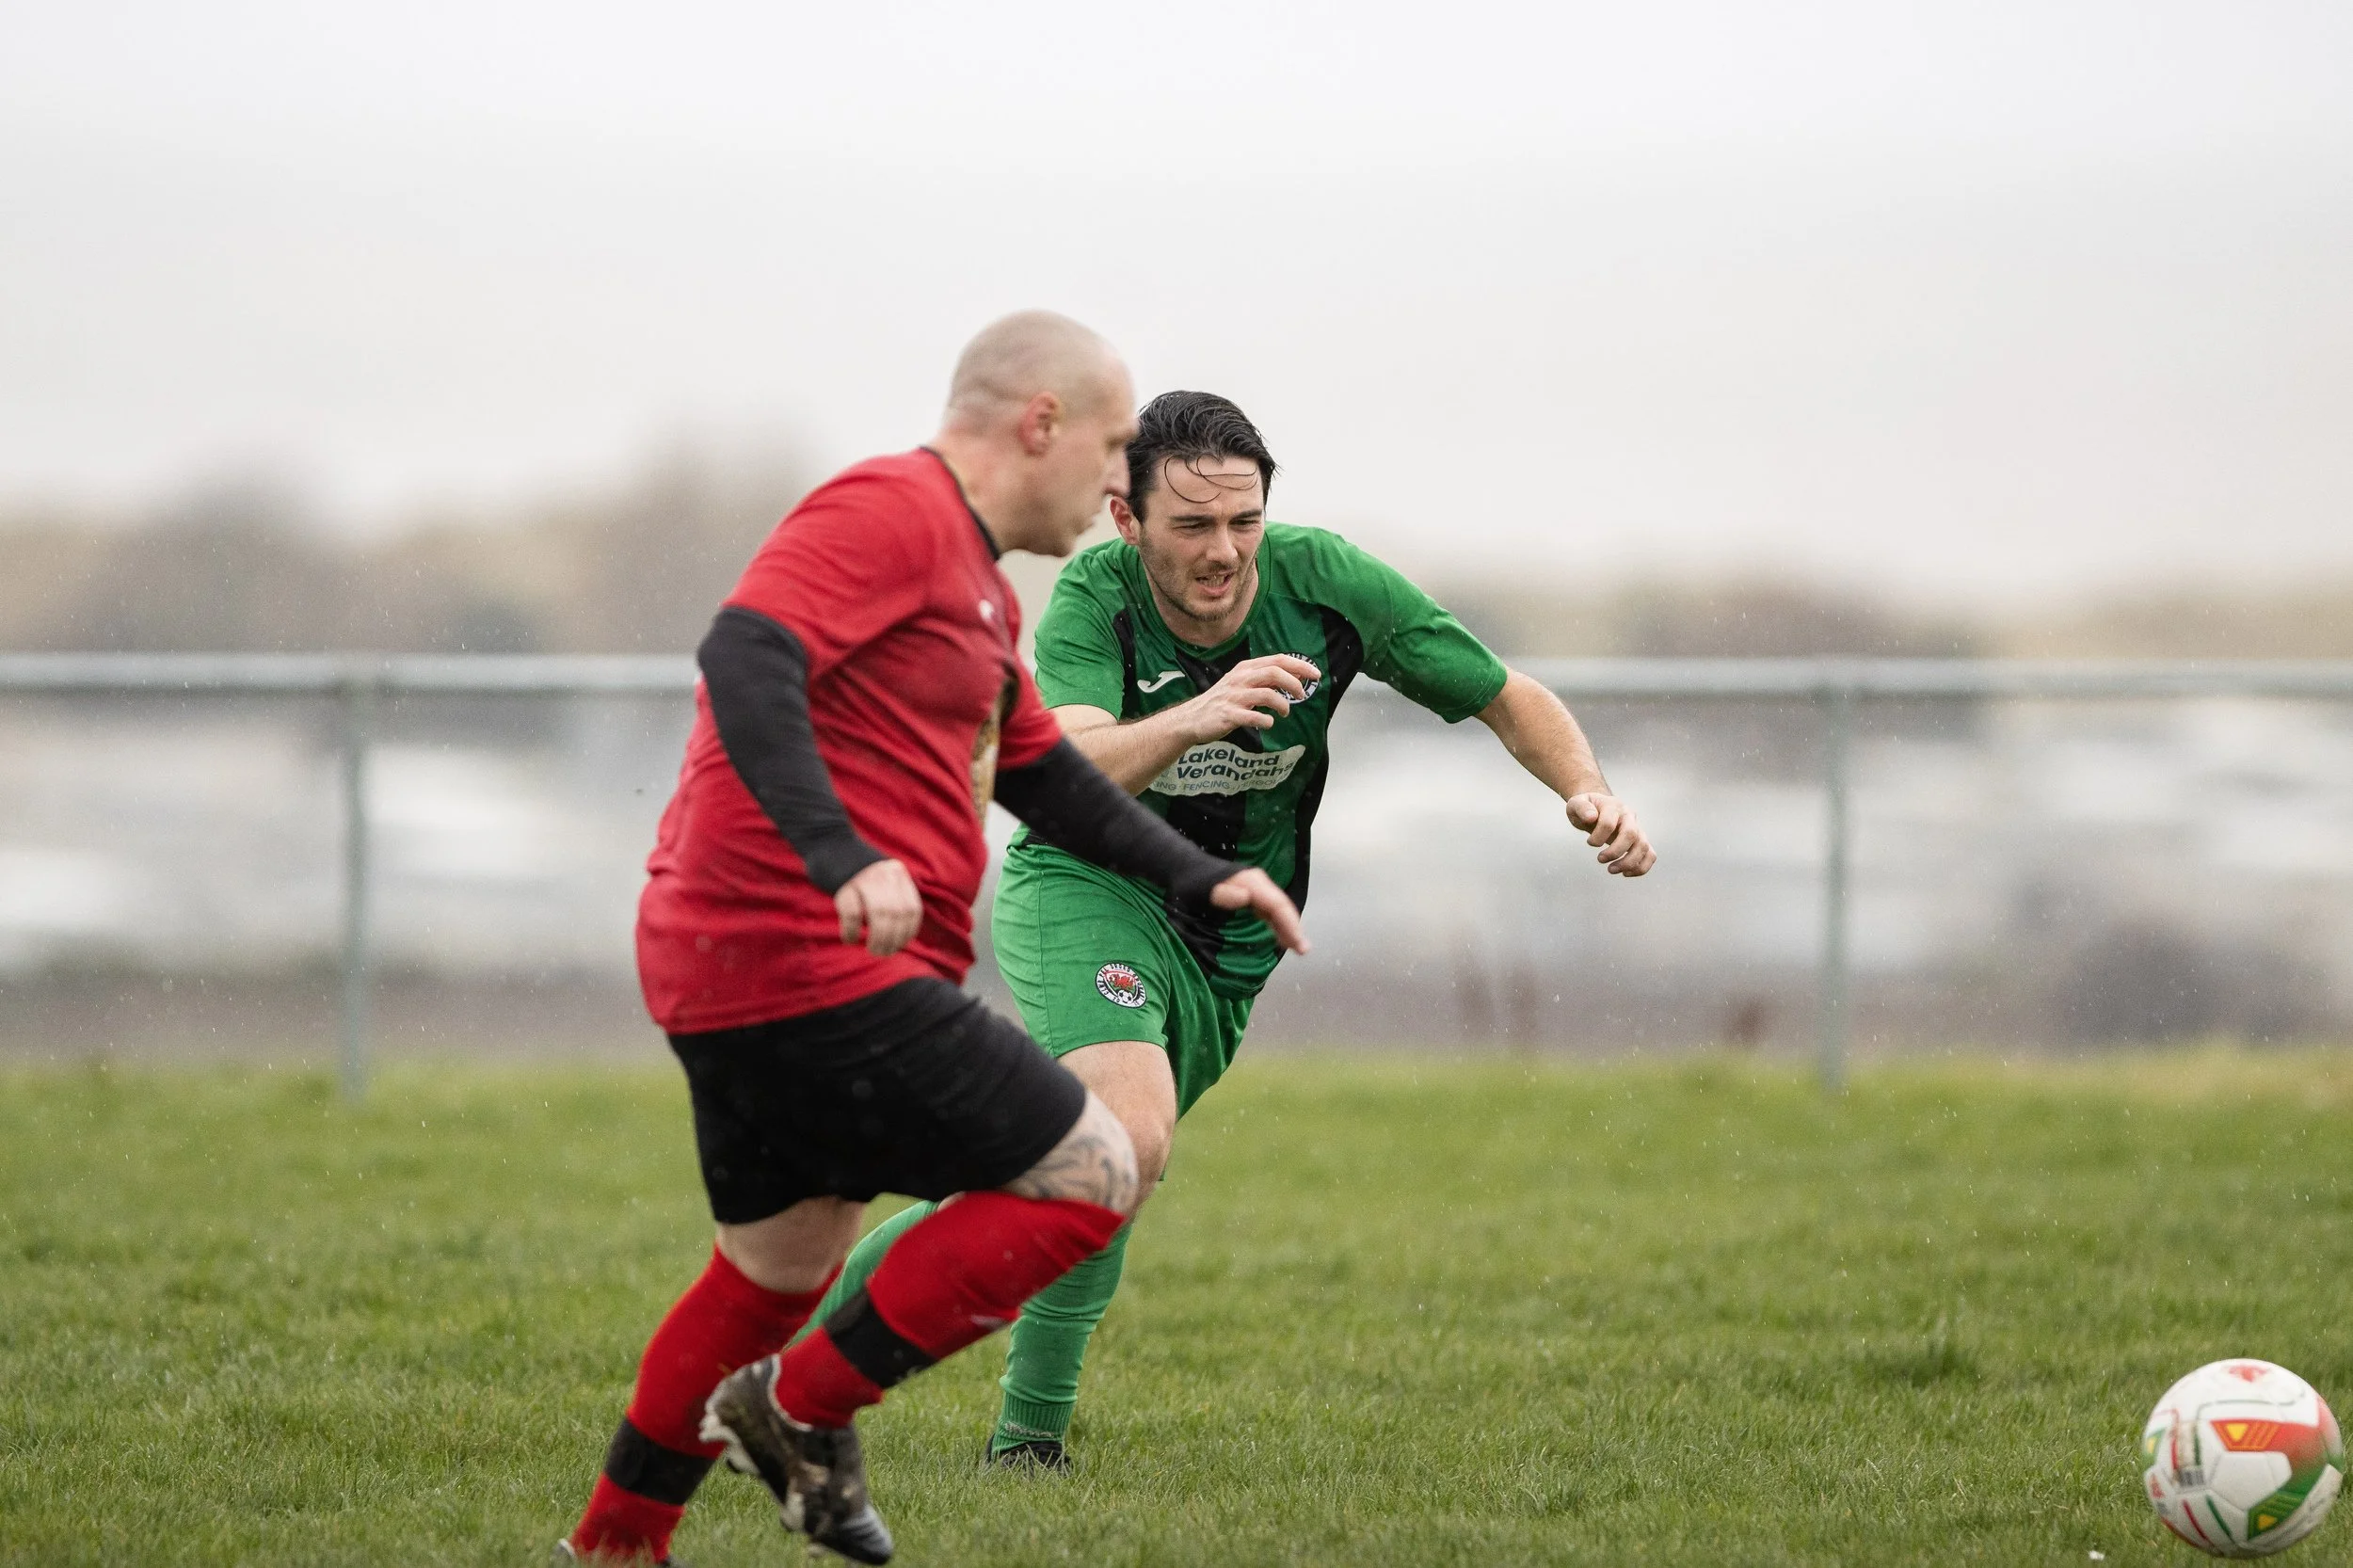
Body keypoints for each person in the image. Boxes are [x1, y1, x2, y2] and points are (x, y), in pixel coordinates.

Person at [560, 327, 1308, 1565]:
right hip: (802, 955)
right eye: (1117, 444)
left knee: (773, 1271)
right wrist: (838, 854)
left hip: (737, 964)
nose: (1121, 477)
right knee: (1095, 1166)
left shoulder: (965, 578)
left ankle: (614, 1543)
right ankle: (797, 1409)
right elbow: (745, 656)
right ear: (1041, 423)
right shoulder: (894, 510)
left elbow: (1041, 775)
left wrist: (1204, 874)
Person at [807, 389, 1655, 1468]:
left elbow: (1503, 693)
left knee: (1066, 1170)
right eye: (1192, 526)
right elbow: (1053, 770)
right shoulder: (1092, 594)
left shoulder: (1325, 581)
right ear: (1127, 519)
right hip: (1087, 886)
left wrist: (1589, 791)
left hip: (1229, 938)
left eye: (1243, 521)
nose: (1225, 552)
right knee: (1124, 1140)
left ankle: (790, 1367)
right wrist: (1195, 715)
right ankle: (1011, 1443)